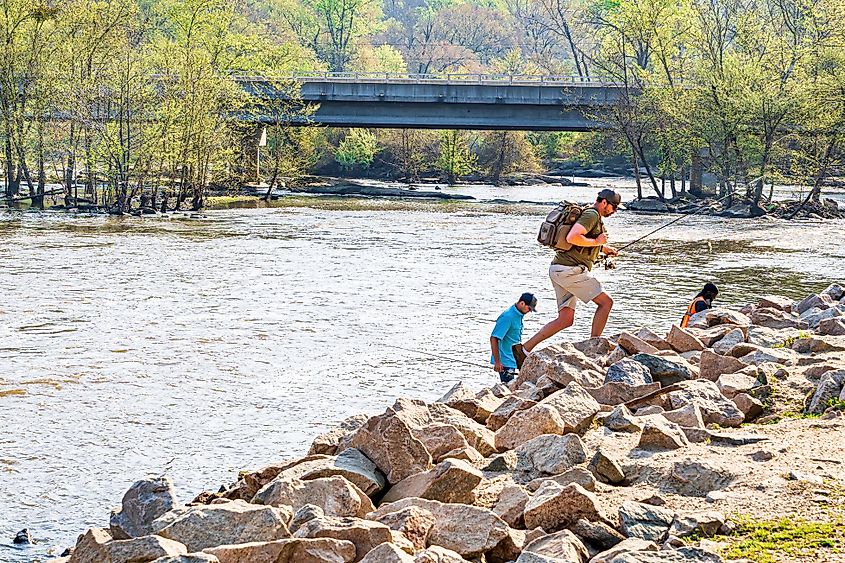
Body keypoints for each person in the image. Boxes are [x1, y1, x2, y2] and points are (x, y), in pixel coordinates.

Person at [523, 189, 621, 353]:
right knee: (606, 303)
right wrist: (597, 240)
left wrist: (603, 248)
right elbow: (572, 237)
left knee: (565, 319)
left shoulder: (590, 214)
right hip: (569, 271)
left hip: (559, 269)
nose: (614, 211)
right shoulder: (592, 215)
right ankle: (593, 347)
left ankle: (524, 349)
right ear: (604, 202)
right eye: (614, 206)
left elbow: (578, 244)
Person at [491, 292, 537, 383]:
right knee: (507, 389)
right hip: (505, 362)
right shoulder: (508, 317)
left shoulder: (518, 315)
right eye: (529, 308)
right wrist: (497, 362)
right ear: (522, 303)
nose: (529, 311)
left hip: (514, 359)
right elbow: (494, 338)